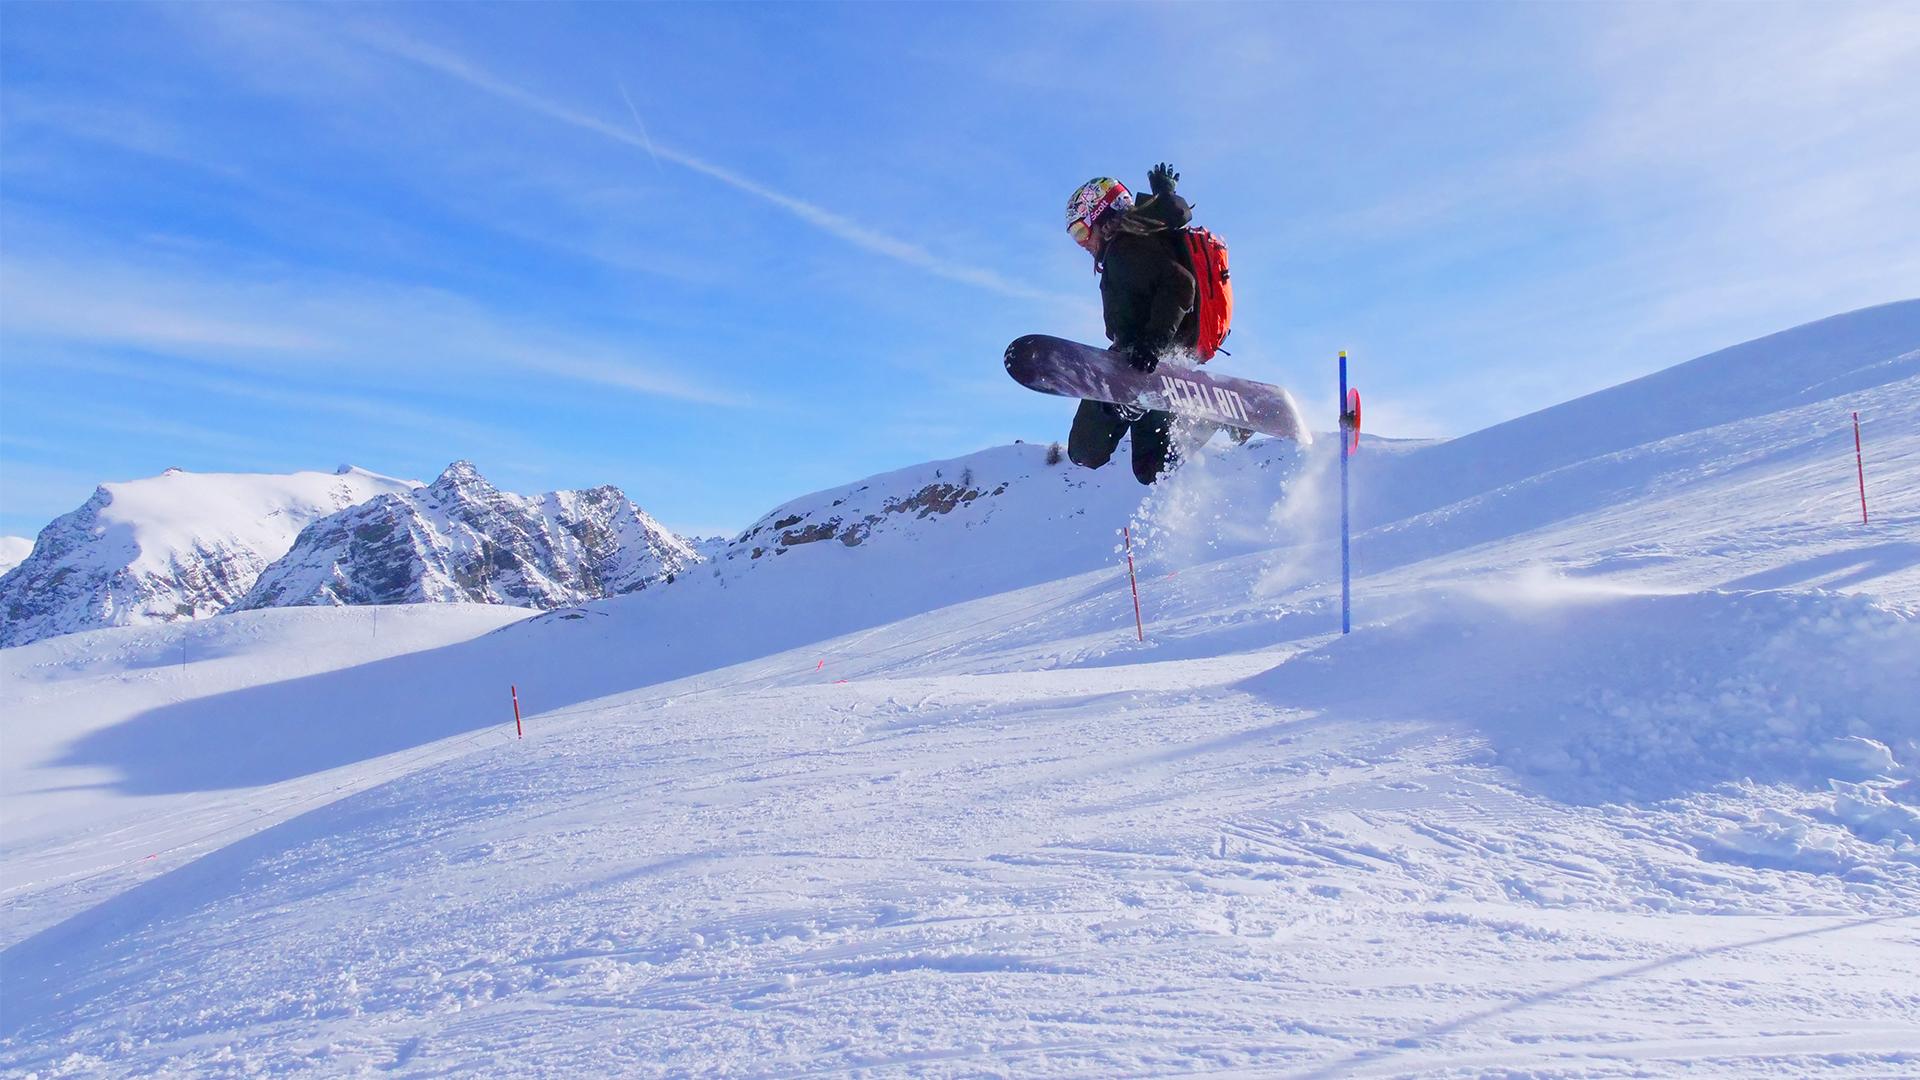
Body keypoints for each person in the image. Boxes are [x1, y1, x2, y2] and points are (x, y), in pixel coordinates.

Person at [1063, 163, 1197, 484]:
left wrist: (1152, 345)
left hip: (1137, 360)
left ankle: (1125, 406)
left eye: (1081, 231)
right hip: (1162, 362)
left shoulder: (1125, 248)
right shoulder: (1143, 239)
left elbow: (1181, 284)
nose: (1082, 243)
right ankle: (1202, 419)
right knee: (1152, 470)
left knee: (1084, 449)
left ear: (1101, 217)